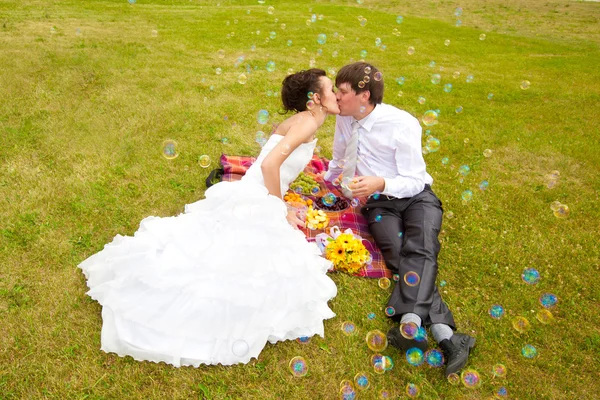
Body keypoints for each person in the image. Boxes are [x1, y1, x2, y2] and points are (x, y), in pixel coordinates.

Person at [78, 69, 339, 367]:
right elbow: (269, 165)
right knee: (247, 266)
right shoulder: (305, 123)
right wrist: (280, 208)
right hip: (258, 196)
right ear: (315, 99)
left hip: (256, 192)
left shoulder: (306, 121)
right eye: (331, 90)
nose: (337, 96)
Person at [323, 62, 475, 377]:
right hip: (378, 204)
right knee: (399, 255)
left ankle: (409, 326)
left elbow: (415, 179)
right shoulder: (346, 119)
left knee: (420, 247)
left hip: (415, 197)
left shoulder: (401, 123)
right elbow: (339, 158)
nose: (337, 97)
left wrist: (381, 182)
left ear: (363, 95)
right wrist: (332, 183)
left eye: (343, 92)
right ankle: (448, 338)